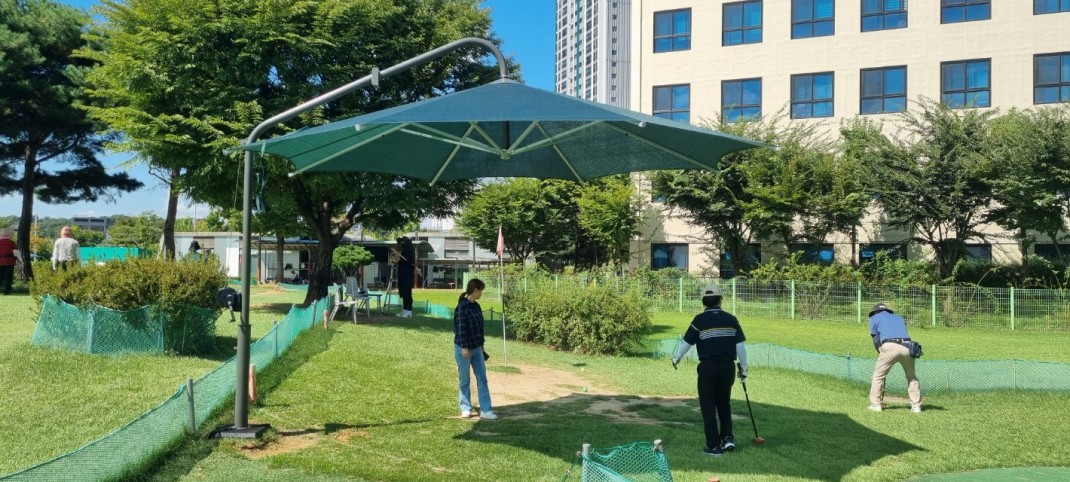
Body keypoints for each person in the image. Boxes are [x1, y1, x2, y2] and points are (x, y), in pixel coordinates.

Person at [671, 285, 748, 457]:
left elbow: (687, 343)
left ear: (703, 301)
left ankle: (714, 447)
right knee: (724, 403)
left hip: (708, 368)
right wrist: (743, 369)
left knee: (708, 406)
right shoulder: (731, 320)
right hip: (727, 368)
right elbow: (740, 346)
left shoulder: (699, 320)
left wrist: (677, 358)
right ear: (720, 300)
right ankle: (727, 438)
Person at [453, 278, 497, 420]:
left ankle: (486, 410)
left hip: (477, 348)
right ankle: (465, 408)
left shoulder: (476, 306)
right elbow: (460, 329)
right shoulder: (462, 307)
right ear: (475, 290)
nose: (481, 294)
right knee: (464, 380)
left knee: (482, 378)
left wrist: (482, 346)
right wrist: (464, 347)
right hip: (463, 349)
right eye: (481, 291)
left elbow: (480, 328)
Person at [868, 303, 922, 413]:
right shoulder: (899, 318)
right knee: (912, 377)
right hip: (907, 346)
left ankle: (876, 405)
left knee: (878, 376)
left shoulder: (874, 318)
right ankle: (916, 406)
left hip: (889, 346)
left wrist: (879, 350)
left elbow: (876, 338)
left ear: (876, 311)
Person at [395, 236, 416, 318]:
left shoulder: (409, 250)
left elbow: (407, 262)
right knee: (404, 292)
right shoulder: (405, 250)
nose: (401, 244)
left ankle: (409, 311)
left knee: (407, 292)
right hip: (403, 273)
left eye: (402, 242)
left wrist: (398, 261)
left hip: (407, 274)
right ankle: (405, 310)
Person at [0, 229, 19, 295]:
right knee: (9, 277)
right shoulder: (12, 243)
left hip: (0, 262)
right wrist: (20, 261)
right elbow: (17, 253)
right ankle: (7, 291)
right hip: (10, 262)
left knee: (0, 277)